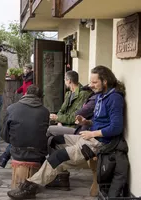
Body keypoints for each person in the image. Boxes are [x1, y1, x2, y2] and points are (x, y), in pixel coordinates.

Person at [7, 65, 125, 199]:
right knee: (53, 141)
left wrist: (92, 134)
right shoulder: (100, 96)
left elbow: (116, 127)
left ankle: (30, 188)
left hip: (98, 144)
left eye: (94, 82)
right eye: (90, 81)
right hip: (88, 137)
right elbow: (102, 122)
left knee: (58, 157)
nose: (91, 85)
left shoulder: (114, 98)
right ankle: (58, 178)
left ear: (105, 81)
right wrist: (86, 122)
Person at [1, 85, 49, 166]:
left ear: (25, 93)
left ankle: (5, 157)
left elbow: (5, 136)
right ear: (40, 98)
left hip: (17, 152)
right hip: (39, 153)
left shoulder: (11, 108)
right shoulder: (45, 111)